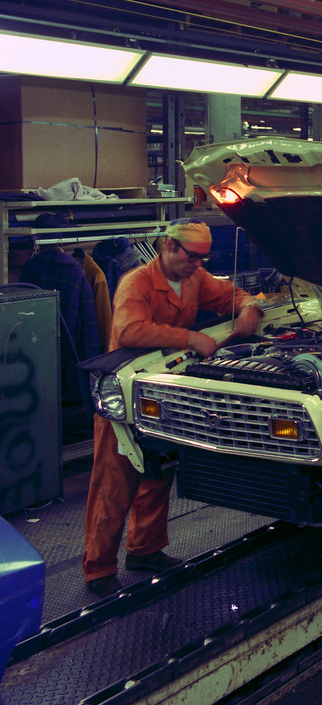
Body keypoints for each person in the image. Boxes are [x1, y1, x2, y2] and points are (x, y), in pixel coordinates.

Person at [82, 219, 263, 596]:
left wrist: (248, 307)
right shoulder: (137, 282)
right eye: (193, 257)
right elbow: (130, 330)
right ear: (169, 246)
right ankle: (98, 569)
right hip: (126, 395)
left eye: (204, 258)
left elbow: (230, 293)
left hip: (163, 392)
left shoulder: (195, 277)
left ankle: (144, 551)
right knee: (115, 481)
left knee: (157, 473)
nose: (198, 264)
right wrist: (190, 337)